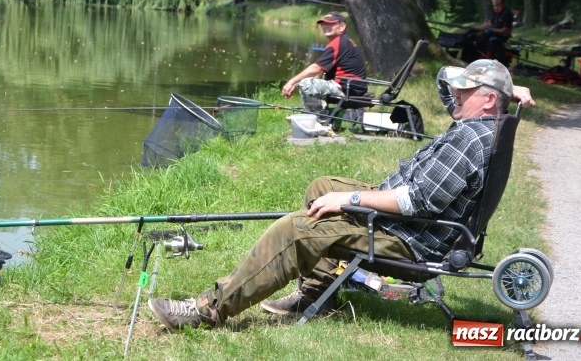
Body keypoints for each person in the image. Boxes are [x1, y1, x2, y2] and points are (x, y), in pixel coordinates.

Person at [147, 59, 536, 332]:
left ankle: (210, 308)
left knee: (297, 230)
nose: (456, 95)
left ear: (486, 100)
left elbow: (415, 203)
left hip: (411, 238)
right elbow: (445, 83)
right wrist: (507, 90)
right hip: (412, 221)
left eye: (468, 91)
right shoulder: (487, 123)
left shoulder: (470, 138)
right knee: (322, 187)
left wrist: (349, 202)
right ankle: (318, 292)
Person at [281, 12, 367, 124]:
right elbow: (321, 70)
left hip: (348, 88)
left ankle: (320, 122)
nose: (325, 27)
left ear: (342, 26)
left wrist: (291, 82)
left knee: (307, 84)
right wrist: (304, 83)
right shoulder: (343, 40)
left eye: (330, 24)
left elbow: (316, 68)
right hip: (352, 86)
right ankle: (318, 117)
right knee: (311, 83)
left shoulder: (338, 42)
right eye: (323, 24)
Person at [471, 0, 514, 65]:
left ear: (500, 0)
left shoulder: (507, 12)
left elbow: (506, 30)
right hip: (492, 34)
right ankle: (475, 61)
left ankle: (496, 63)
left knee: (491, 43)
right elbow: (489, 24)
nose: (492, 0)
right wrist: (476, 29)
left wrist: (493, 30)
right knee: (473, 37)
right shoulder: (495, 11)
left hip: (501, 36)